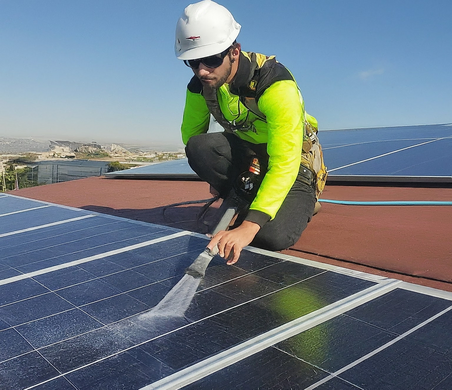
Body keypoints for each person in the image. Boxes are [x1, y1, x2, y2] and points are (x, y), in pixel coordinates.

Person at [175, 0, 327, 265]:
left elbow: (284, 162)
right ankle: (253, 195)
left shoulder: (276, 86)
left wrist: (249, 226)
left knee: (272, 236)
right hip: (249, 154)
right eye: (192, 61)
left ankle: (293, 203)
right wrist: (212, 175)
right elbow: (191, 135)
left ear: (235, 51)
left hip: (294, 164)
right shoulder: (201, 84)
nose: (202, 70)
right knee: (199, 148)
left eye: (211, 59)